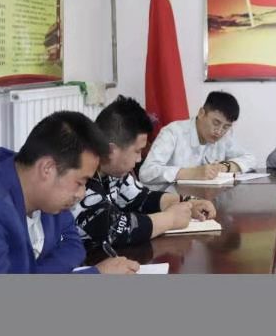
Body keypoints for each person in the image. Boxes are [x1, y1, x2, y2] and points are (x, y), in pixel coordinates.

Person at [0, 111, 138, 274]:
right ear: (47, 168)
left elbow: (73, 245)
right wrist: (96, 275)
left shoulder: (43, 194)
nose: (81, 194)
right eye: (80, 182)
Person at [71, 96, 217, 253]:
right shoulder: (80, 177)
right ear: (110, 150)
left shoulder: (113, 171)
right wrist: (171, 219)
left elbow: (141, 198)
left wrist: (186, 203)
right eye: (137, 151)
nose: (139, 159)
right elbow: (115, 230)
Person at [139, 91, 256, 184]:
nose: (219, 131)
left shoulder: (225, 137)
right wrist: (190, 173)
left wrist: (225, 167)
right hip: (171, 201)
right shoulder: (173, 132)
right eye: (216, 123)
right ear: (201, 113)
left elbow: (250, 159)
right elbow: (146, 172)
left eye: (226, 127)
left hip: (207, 199)